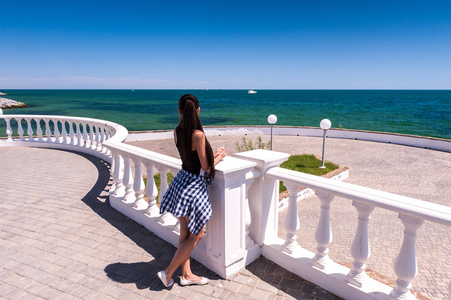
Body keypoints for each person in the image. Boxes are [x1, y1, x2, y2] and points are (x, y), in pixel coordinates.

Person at [157, 94, 227, 288]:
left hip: (181, 182)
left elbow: (191, 159)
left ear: (179, 111)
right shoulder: (198, 135)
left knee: (185, 232)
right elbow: (205, 167)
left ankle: (186, 275)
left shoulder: (177, 132)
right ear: (198, 110)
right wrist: (218, 157)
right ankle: (168, 272)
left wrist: (213, 155)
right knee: (197, 235)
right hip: (193, 187)